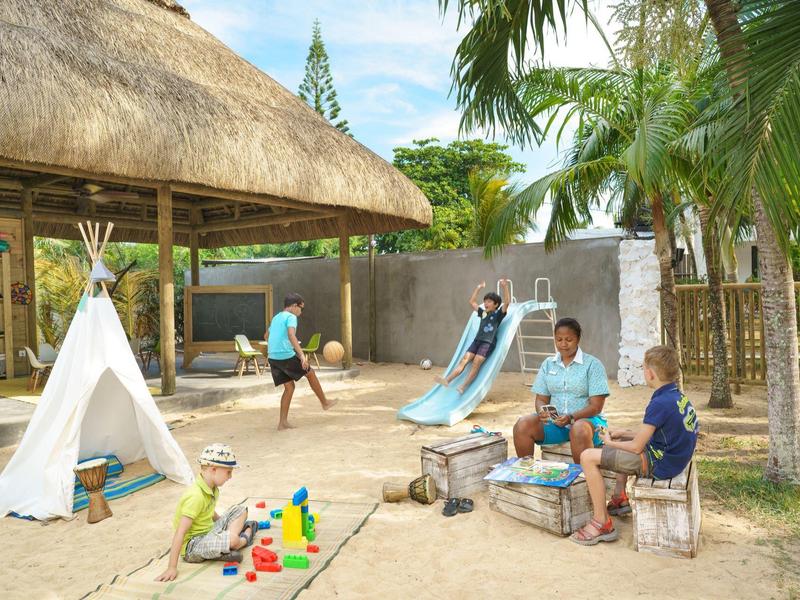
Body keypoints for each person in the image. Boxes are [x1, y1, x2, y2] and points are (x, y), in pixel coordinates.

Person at [571, 345, 699, 546]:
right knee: (624, 440)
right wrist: (623, 434)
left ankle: (601, 522)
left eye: (643, 368)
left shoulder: (659, 403)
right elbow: (658, 433)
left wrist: (609, 442)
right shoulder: (676, 396)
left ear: (649, 373)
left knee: (587, 456)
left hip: (659, 464)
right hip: (674, 458)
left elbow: (636, 448)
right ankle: (619, 498)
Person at [513, 318, 610, 463]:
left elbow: (596, 407)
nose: (563, 344)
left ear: (578, 339)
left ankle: (583, 479)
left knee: (578, 428)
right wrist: (542, 412)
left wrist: (571, 417)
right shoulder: (548, 364)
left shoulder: (593, 365)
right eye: (559, 339)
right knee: (523, 424)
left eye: (568, 339)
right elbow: (541, 399)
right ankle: (527, 472)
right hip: (557, 424)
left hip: (588, 423)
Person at [155, 443, 257, 582]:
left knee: (240, 509)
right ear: (214, 469)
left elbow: (209, 511)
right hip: (193, 545)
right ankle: (243, 539)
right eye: (228, 472)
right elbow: (180, 532)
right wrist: (172, 567)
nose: (230, 476)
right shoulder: (195, 496)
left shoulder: (213, 487)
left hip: (208, 532)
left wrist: (223, 523)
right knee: (233, 540)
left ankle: (227, 546)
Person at [267, 292, 337, 430]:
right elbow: (291, 335)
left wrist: (276, 346)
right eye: (301, 308)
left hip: (273, 357)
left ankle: (282, 423)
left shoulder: (276, 317)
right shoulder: (291, 317)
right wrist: (302, 355)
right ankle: (325, 402)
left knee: (289, 388)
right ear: (294, 306)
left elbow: (266, 335)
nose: (301, 311)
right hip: (285, 356)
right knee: (310, 373)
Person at [436, 279, 511, 394]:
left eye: (489, 301)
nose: (486, 303)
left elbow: (507, 302)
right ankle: (447, 380)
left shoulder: (498, 314)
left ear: (496, 304)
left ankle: (463, 387)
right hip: (477, 341)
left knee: (476, 363)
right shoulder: (484, 313)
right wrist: (478, 288)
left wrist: (505, 287)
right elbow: (472, 302)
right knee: (464, 360)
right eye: (485, 301)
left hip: (488, 343)